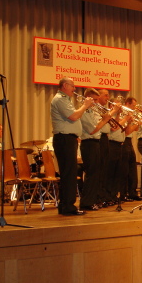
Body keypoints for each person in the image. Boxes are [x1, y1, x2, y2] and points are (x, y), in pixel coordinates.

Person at [50, 77, 92, 216]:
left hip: (68, 138)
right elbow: (73, 117)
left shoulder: (64, 99)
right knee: (69, 173)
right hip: (65, 139)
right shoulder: (60, 99)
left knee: (68, 173)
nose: (74, 89)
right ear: (65, 85)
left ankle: (65, 205)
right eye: (73, 86)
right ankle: (68, 206)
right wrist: (85, 105)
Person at [79, 88, 118, 211]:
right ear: (87, 99)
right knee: (92, 174)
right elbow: (93, 130)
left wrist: (106, 118)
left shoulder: (92, 110)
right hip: (89, 143)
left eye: (96, 100)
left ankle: (93, 200)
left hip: (95, 142)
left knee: (96, 173)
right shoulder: (85, 111)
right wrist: (106, 118)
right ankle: (87, 202)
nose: (96, 102)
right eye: (94, 100)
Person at [121, 97, 142, 201]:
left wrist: (137, 122)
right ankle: (124, 194)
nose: (135, 108)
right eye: (133, 105)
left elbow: (136, 129)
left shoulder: (130, 114)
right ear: (127, 104)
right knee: (124, 169)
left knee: (132, 168)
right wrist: (133, 122)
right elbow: (127, 131)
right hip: (123, 141)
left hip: (129, 142)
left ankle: (132, 193)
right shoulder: (122, 113)